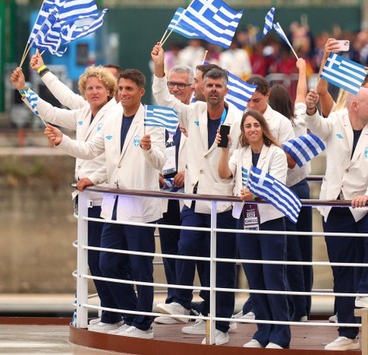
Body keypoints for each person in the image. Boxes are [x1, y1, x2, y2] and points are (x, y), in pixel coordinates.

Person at [44, 69, 166, 340]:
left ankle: (143, 325)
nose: (123, 93)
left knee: (140, 267)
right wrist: (62, 140)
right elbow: (89, 151)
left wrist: (148, 149)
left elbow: (161, 161)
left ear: (140, 92)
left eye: (129, 89)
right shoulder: (111, 121)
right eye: (121, 89)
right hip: (114, 202)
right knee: (106, 262)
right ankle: (129, 314)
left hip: (140, 205)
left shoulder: (152, 121)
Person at [11, 65, 121, 333]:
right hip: (87, 198)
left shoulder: (115, 115)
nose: (94, 91)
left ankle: (118, 314)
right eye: (90, 88)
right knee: (93, 261)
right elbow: (52, 111)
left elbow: (111, 157)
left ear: (109, 91)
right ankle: (111, 314)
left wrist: (64, 144)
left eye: (99, 87)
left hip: (108, 195)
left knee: (109, 260)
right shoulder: (84, 112)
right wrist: (25, 89)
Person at [151, 43, 243, 346]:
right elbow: (163, 96)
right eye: (209, 85)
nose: (213, 90)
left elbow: (241, 158)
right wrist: (159, 67)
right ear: (201, 88)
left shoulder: (239, 119)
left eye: (219, 85)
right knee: (187, 243)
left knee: (223, 266)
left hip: (226, 201)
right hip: (194, 196)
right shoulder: (193, 112)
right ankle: (180, 299)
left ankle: (220, 324)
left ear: (226, 88)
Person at [304, 87, 368, 351]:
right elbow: (317, 126)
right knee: (341, 271)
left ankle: (366, 290)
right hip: (336, 204)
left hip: (366, 203)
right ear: (355, 105)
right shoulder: (337, 119)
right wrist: (310, 108)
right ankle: (346, 332)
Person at [218, 110, 292, 349]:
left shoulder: (277, 154)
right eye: (247, 126)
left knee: (273, 277)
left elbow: (278, 186)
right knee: (255, 277)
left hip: (270, 221)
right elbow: (223, 174)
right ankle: (263, 331)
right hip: (245, 220)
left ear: (263, 128)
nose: (251, 129)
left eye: (255, 125)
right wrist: (224, 149)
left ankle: (281, 333)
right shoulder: (240, 153)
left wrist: (256, 194)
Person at [268, 75, 314, 322]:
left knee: (288, 252)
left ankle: (295, 307)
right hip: (301, 189)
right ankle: (302, 306)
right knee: (302, 251)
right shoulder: (299, 117)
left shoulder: (278, 128)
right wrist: (301, 69)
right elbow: (301, 95)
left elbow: (290, 160)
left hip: (286, 190)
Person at [154, 65, 194, 325]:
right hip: (166, 191)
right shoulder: (159, 115)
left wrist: (187, 171)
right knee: (169, 248)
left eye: (181, 84)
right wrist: (153, 170)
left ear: (192, 87)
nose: (176, 89)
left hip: (191, 194)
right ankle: (174, 300)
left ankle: (190, 302)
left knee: (190, 248)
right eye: (172, 84)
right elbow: (150, 146)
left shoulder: (197, 113)